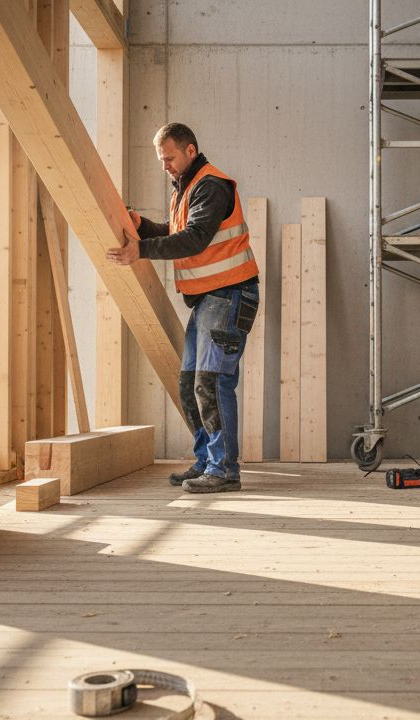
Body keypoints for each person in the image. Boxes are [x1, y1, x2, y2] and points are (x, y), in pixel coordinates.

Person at [106, 123, 258, 494]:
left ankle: (224, 470)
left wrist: (139, 249)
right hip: (209, 299)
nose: (165, 166)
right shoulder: (187, 189)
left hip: (230, 295)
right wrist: (144, 227)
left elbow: (194, 240)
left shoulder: (212, 185)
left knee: (212, 382)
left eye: (169, 158)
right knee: (190, 384)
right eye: (161, 160)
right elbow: (178, 232)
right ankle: (208, 461)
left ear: (190, 150)